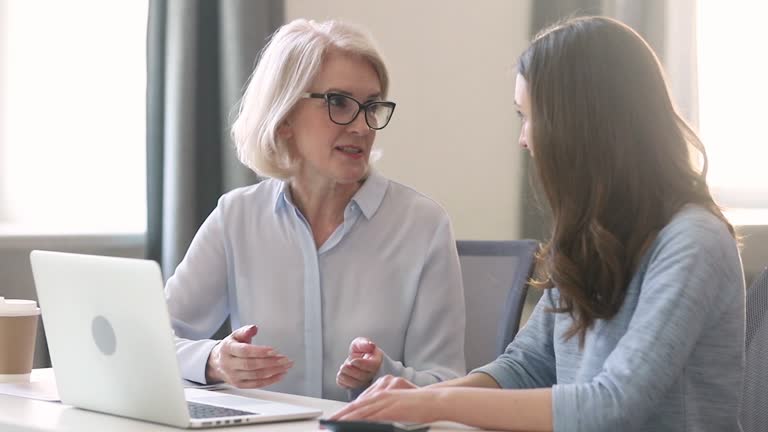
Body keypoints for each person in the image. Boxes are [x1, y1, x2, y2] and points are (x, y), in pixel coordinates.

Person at [331, 16, 745, 431]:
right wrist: (419, 399)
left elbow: (612, 406)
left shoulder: (694, 241)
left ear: (580, 125)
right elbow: (525, 366)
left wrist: (437, 403)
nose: (524, 139)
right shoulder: (591, 236)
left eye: (529, 117)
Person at [164, 18, 466, 402]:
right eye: (338, 102)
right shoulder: (236, 217)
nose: (361, 127)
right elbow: (154, 339)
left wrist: (382, 374)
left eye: (371, 106)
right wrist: (212, 360)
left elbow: (445, 386)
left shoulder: (423, 225)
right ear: (285, 114)